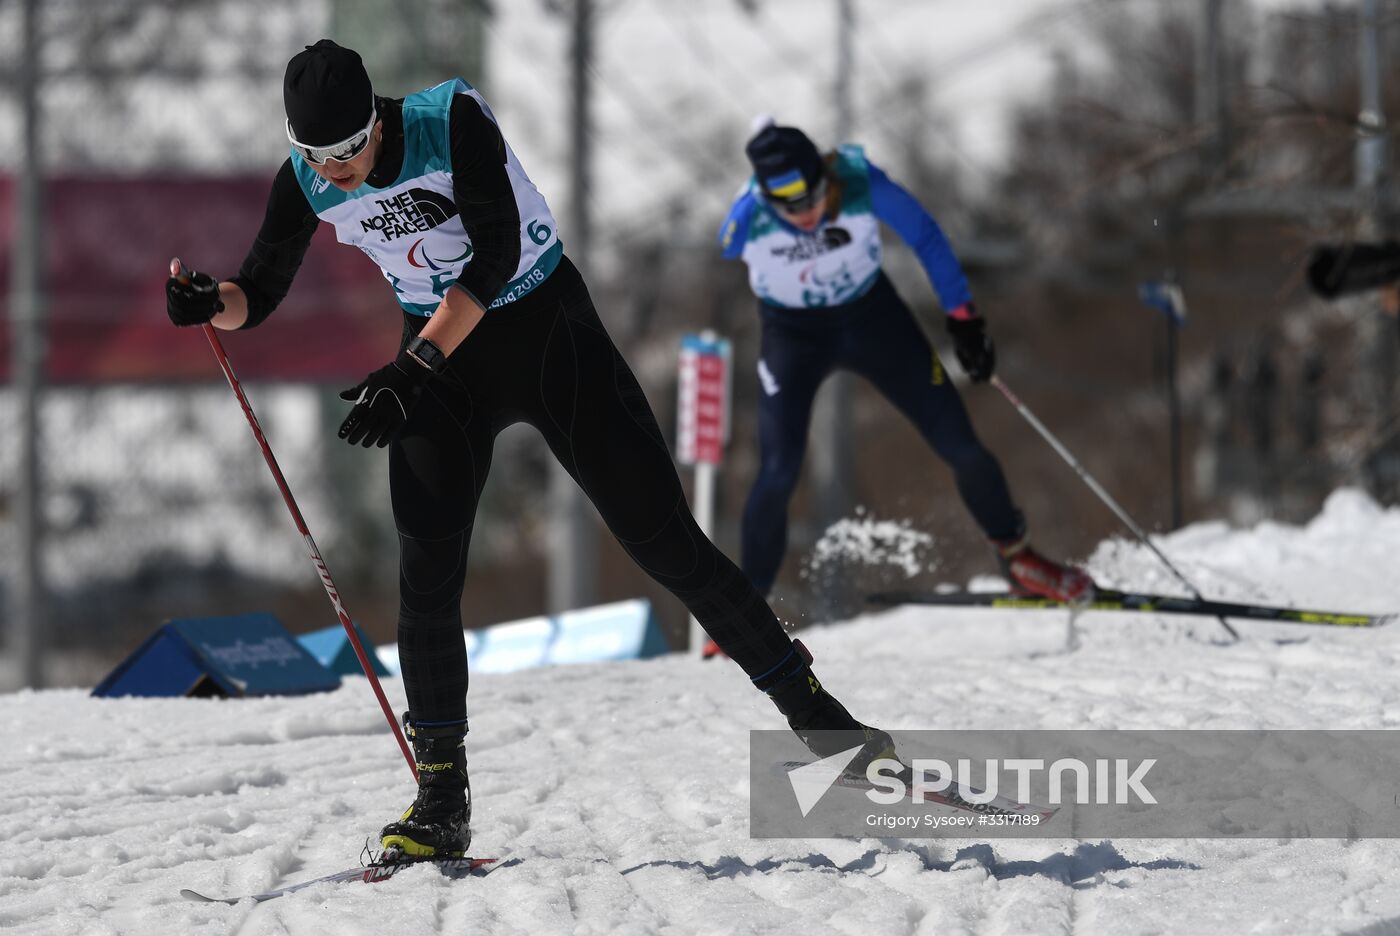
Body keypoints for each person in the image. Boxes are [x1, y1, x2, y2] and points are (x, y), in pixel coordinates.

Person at [165, 43, 891, 861]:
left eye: (347, 152)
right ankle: (442, 798)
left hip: (546, 334)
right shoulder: (304, 178)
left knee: (665, 544)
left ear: (376, 120)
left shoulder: (450, 121)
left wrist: (412, 366)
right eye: (313, 155)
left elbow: (496, 252)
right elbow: (256, 294)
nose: (334, 172)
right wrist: (208, 303)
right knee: (426, 573)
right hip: (440, 364)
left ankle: (820, 720)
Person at [716, 118, 1093, 625]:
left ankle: (1018, 557)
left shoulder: (859, 182)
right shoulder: (748, 220)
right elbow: (721, 259)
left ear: (825, 177)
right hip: (794, 336)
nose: (806, 216)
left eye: (813, 200)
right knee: (779, 470)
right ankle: (745, 617)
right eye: (791, 208)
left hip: (873, 319)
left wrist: (964, 319)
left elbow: (927, 238)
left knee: (962, 445)